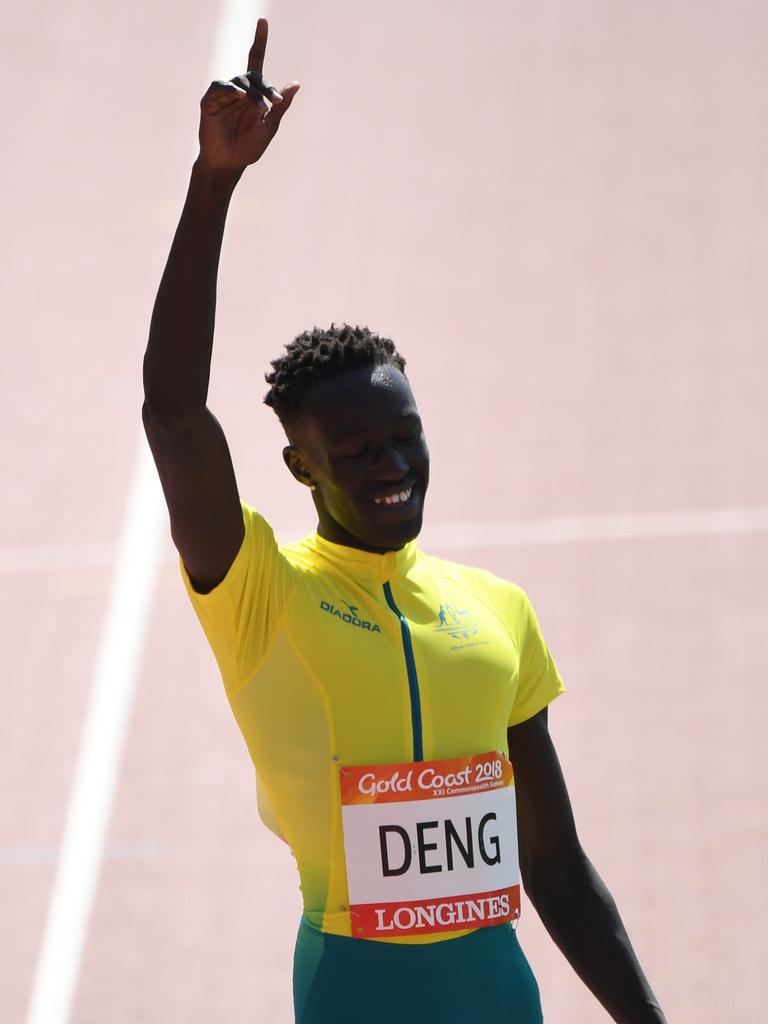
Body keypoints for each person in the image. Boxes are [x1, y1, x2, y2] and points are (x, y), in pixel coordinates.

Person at [142, 18, 667, 1024]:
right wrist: (215, 183)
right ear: (300, 464)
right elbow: (173, 411)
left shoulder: (496, 611)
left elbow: (553, 863)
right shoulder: (260, 591)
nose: (391, 465)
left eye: (404, 436)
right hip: (356, 991)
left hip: (498, 988)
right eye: (354, 450)